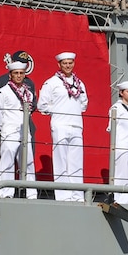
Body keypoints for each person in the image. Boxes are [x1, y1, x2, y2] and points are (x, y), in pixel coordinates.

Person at [37, 51, 87, 201]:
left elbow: (84, 104)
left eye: (70, 63)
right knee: (61, 161)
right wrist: (58, 109)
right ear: (59, 64)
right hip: (60, 125)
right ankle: (64, 196)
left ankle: (77, 195)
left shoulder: (79, 83)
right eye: (65, 63)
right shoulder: (52, 83)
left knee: (76, 162)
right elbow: (42, 105)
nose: (68, 66)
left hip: (76, 125)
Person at [0, 61, 37, 199]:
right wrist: (3, 129)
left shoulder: (28, 93)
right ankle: (5, 192)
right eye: (16, 73)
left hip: (24, 131)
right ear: (10, 75)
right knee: (7, 161)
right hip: (9, 131)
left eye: (21, 73)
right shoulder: (2, 92)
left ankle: (31, 193)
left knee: (28, 162)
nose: (19, 76)